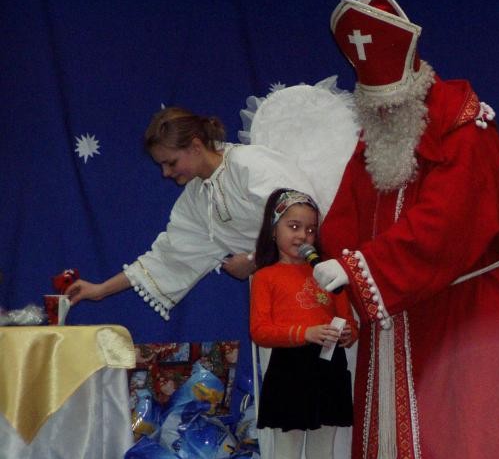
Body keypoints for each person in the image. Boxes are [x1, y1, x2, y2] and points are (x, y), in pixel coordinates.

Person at [312, 0, 499, 459]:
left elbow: (450, 222)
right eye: (374, 106)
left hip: (471, 300)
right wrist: (330, 257)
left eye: (392, 104)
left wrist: (361, 268)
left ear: (417, 84)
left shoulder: (464, 126)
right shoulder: (379, 137)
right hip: (410, 301)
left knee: (476, 415)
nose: (383, 114)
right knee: (433, 426)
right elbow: (349, 210)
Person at [65, 106, 317, 319]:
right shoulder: (197, 199)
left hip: (315, 279)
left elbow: (302, 217)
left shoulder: (248, 164)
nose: (166, 173)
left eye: (171, 162)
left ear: (196, 146)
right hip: (276, 294)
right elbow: (168, 257)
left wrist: (254, 260)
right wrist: (101, 289)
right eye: (162, 165)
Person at [250, 188, 359, 459]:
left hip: (328, 370)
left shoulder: (328, 274)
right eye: (293, 226)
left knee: (323, 456)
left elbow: (348, 321)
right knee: (286, 455)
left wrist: (347, 333)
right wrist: (305, 333)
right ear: (273, 230)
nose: (303, 236)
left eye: (310, 229)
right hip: (290, 372)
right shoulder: (265, 277)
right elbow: (260, 330)